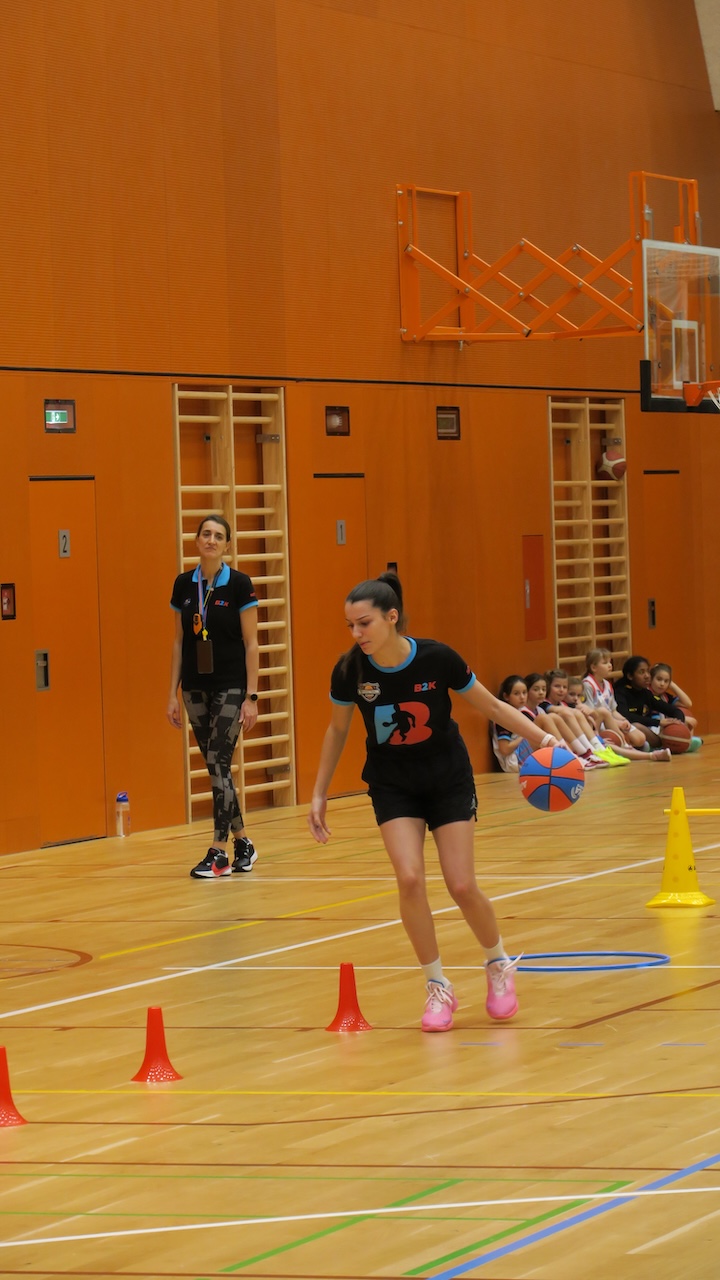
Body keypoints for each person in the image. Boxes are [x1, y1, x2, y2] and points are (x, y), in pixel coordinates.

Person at [307, 574, 560, 1033]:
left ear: (391, 617)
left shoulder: (437, 658)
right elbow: (337, 730)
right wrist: (319, 792)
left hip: (447, 779)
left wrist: (543, 739)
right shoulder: (350, 672)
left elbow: (494, 708)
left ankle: (498, 963)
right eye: (350, 626)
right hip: (393, 784)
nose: (356, 633)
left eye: (364, 623)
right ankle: (437, 985)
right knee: (409, 879)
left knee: (461, 885)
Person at [167, 514, 260, 878]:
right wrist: (172, 693)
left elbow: (252, 644)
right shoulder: (183, 584)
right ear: (196, 540)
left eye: (218, 535)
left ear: (227, 545)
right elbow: (178, 643)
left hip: (231, 686)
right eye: (205, 533)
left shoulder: (238, 584)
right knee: (215, 766)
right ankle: (244, 843)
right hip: (194, 687)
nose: (210, 539)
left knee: (219, 761)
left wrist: (251, 697)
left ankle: (218, 852)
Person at [583, 649, 670, 762]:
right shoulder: (587, 684)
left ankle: (628, 745)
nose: (610, 665)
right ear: (594, 667)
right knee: (605, 714)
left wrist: (624, 721)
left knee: (640, 738)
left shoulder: (607, 684)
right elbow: (591, 714)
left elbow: (613, 711)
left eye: (610, 662)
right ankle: (628, 746)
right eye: (605, 663)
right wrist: (616, 722)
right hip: (596, 724)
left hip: (611, 721)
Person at [612, 655, 677, 749]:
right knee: (637, 726)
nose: (647, 676)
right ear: (630, 676)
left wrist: (678, 721)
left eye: (648, 671)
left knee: (685, 718)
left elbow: (670, 709)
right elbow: (626, 716)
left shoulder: (645, 693)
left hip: (642, 731)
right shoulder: (619, 692)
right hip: (622, 729)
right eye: (642, 672)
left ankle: (679, 741)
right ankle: (671, 743)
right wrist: (658, 722)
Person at [649, 663, 701, 744]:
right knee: (684, 719)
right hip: (649, 727)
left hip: (661, 726)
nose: (662, 684)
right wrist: (683, 719)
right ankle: (683, 741)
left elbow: (687, 703)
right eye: (659, 679)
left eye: (666, 681)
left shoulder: (664, 697)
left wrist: (672, 685)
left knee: (686, 714)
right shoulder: (646, 693)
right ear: (651, 679)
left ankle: (686, 742)